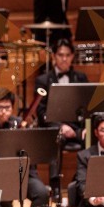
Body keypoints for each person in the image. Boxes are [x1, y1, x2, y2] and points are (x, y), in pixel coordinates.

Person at [34, 39, 88, 193]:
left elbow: (88, 107)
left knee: (93, 136)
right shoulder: (43, 80)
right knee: (56, 139)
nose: (64, 59)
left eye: (67, 55)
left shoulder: (81, 78)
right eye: (60, 55)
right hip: (55, 129)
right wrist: (61, 126)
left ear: (72, 57)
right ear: (54, 57)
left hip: (77, 128)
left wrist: (86, 128)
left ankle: (82, 184)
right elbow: (41, 111)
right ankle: (55, 187)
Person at [0, 88, 49, 207]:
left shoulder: (20, 124)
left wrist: (25, 134)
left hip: (22, 173)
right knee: (2, 197)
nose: (4, 111)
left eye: (7, 107)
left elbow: (31, 150)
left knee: (42, 193)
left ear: (12, 108)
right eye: (0, 107)